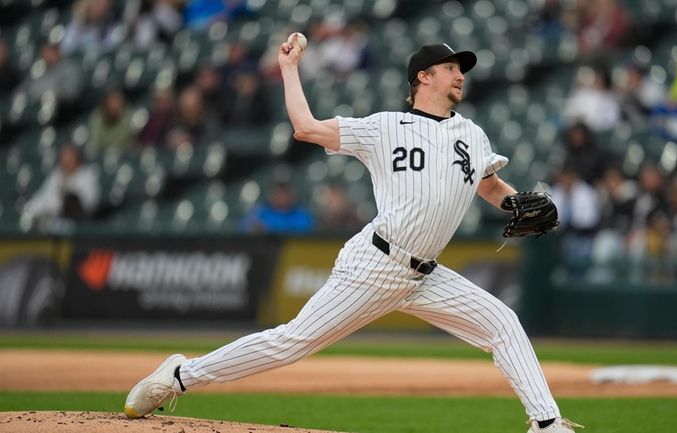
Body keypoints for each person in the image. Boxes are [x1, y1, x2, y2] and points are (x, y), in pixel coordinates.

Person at [124, 40, 581, 433]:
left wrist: (516, 202)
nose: (460, 75)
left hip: (426, 274)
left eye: (460, 69)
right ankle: (179, 376)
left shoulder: (472, 134)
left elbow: (489, 186)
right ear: (423, 77)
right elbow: (304, 127)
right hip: (376, 263)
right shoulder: (385, 127)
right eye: (450, 68)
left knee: (503, 324)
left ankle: (547, 423)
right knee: (292, 343)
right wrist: (288, 68)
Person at [23, 144, 100, 228]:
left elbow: (88, 203)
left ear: (77, 159)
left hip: (78, 225)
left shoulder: (87, 175)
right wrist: (34, 211)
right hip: (52, 222)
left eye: (69, 159)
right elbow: (41, 198)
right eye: (63, 159)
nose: (66, 162)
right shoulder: (56, 175)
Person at [238, 182, 314, 234]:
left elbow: (309, 230)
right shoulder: (261, 212)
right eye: (278, 194)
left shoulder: (302, 214)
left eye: (285, 194)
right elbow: (244, 225)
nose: (282, 198)